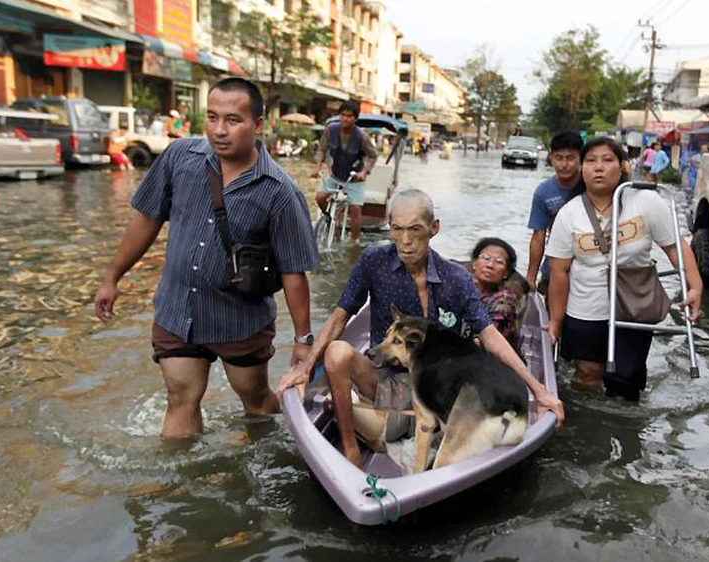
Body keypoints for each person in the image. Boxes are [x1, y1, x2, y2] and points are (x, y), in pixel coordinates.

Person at [94, 78, 320, 440]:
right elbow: (147, 219)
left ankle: (265, 451)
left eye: (233, 120)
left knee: (255, 401)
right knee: (180, 398)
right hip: (178, 309)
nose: (219, 130)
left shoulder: (279, 191)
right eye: (212, 118)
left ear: (258, 126)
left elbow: (295, 271)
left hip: (239, 319)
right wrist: (112, 278)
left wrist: (303, 340)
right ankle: (180, 487)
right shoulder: (179, 158)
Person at [276, 190, 564, 467]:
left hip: (438, 386)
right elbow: (340, 317)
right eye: (397, 229)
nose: (405, 241)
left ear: (433, 228)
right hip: (385, 378)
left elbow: (489, 336)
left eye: (414, 230)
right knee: (337, 352)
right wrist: (305, 366)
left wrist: (538, 389)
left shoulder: (456, 279)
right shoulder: (373, 262)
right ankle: (351, 448)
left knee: (467, 410)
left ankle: (415, 434)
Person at [545, 137, 703, 401]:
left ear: (623, 166)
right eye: (591, 161)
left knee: (626, 382)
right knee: (587, 375)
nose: (598, 168)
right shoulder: (568, 213)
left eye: (607, 160)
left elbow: (676, 248)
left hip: (633, 304)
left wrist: (695, 287)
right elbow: (559, 272)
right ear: (581, 169)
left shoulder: (647, 202)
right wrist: (555, 322)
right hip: (585, 307)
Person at [312, 100, 378, 244]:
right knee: (320, 197)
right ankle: (329, 219)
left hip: (354, 178)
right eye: (342, 115)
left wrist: (365, 172)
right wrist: (318, 166)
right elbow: (322, 149)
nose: (345, 119)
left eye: (349, 116)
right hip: (335, 175)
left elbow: (373, 156)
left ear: (355, 119)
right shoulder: (330, 130)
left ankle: (354, 240)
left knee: (355, 208)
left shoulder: (361, 137)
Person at [526, 131, 584, 295]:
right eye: (559, 158)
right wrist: (531, 277)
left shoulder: (592, 187)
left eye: (571, 158)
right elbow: (538, 237)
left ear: (581, 158)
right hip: (554, 268)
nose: (564, 164)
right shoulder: (543, 192)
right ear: (551, 158)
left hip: (588, 268)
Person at [469, 237, 524, 347]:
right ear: (474, 264)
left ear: (506, 273)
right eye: (486, 258)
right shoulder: (464, 287)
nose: (490, 265)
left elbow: (486, 339)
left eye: (499, 262)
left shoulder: (505, 300)